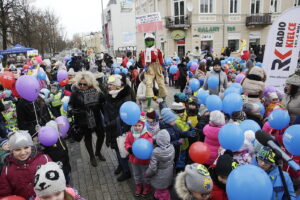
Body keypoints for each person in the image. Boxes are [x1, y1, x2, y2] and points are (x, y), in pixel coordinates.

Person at [69, 71, 106, 167]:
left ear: (89, 83)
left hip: (96, 118)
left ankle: (98, 152)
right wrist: (76, 111)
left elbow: (103, 103)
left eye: (84, 84)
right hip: (83, 120)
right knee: (88, 138)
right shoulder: (75, 94)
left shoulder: (97, 91)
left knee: (101, 135)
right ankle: (92, 156)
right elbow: (70, 106)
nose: (81, 86)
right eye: (80, 84)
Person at [0, 131, 51, 199]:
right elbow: (5, 194)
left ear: (31, 147)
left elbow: (57, 180)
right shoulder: (7, 170)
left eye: (26, 147)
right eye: (18, 149)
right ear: (12, 150)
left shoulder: (45, 159)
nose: (23, 152)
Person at [102, 74, 132, 182]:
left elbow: (123, 116)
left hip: (121, 128)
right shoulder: (109, 95)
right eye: (109, 84)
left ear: (118, 86)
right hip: (111, 127)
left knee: (121, 149)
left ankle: (126, 171)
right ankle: (121, 165)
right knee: (115, 148)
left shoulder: (126, 97)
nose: (108, 86)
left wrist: (110, 124)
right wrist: (106, 120)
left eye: (111, 84)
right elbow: (105, 108)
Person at [124, 114, 153, 197]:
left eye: (139, 125)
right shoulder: (130, 134)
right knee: (136, 174)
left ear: (143, 125)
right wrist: (129, 148)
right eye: (135, 125)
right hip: (134, 160)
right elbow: (126, 143)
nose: (137, 127)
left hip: (144, 160)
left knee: (145, 174)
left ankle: (147, 186)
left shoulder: (147, 135)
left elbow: (149, 145)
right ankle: (138, 186)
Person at [145, 129, 175, 200]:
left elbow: (152, 168)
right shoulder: (172, 147)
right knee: (163, 189)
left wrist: (147, 173)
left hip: (159, 176)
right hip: (169, 173)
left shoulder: (156, 152)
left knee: (162, 191)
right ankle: (157, 196)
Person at [140, 33, 167, 109]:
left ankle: (164, 100)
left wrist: (163, 65)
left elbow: (161, 58)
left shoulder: (157, 50)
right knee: (148, 84)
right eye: (147, 40)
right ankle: (148, 104)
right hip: (149, 67)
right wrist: (144, 66)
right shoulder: (143, 52)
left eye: (150, 40)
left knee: (161, 83)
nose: (149, 41)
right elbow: (143, 60)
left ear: (154, 40)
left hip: (157, 65)